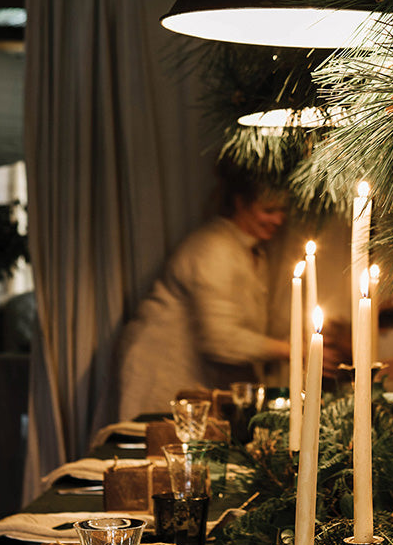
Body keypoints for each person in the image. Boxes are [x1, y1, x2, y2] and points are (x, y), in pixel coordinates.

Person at [117, 161, 290, 419]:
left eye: (282, 210)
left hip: (190, 386)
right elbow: (220, 340)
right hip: (159, 378)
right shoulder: (213, 248)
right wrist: (290, 349)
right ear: (241, 203)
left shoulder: (252, 252)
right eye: (269, 210)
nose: (279, 219)